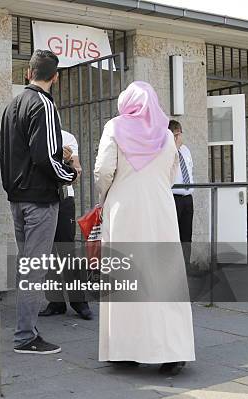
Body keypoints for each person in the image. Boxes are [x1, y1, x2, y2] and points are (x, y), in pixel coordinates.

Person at [94, 81, 195, 375]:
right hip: (160, 209)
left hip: (124, 210)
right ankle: (173, 350)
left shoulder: (115, 127)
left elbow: (102, 170)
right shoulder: (165, 134)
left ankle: (124, 350)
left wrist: (105, 198)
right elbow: (172, 170)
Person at [0, 49, 78, 354]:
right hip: (40, 200)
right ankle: (25, 336)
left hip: (17, 198)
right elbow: (47, 156)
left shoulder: (12, 104)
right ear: (55, 77)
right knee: (34, 269)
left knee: (27, 266)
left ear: (27, 73)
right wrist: (68, 174)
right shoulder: (44, 104)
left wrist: (12, 188)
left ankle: (26, 331)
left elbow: (3, 153)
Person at [40, 130, 93, 320]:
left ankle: (79, 301)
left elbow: (77, 171)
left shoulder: (68, 137)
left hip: (63, 198)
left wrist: (70, 163)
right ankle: (56, 302)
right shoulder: (35, 136)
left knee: (67, 249)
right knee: (47, 251)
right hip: (41, 198)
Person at [170, 120, 194, 267]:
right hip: (173, 197)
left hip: (187, 198)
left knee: (187, 235)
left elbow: (190, 170)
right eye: (178, 134)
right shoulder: (167, 151)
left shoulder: (185, 150)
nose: (180, 136)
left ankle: (186, 266)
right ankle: (174, 269)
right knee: (174, 236)